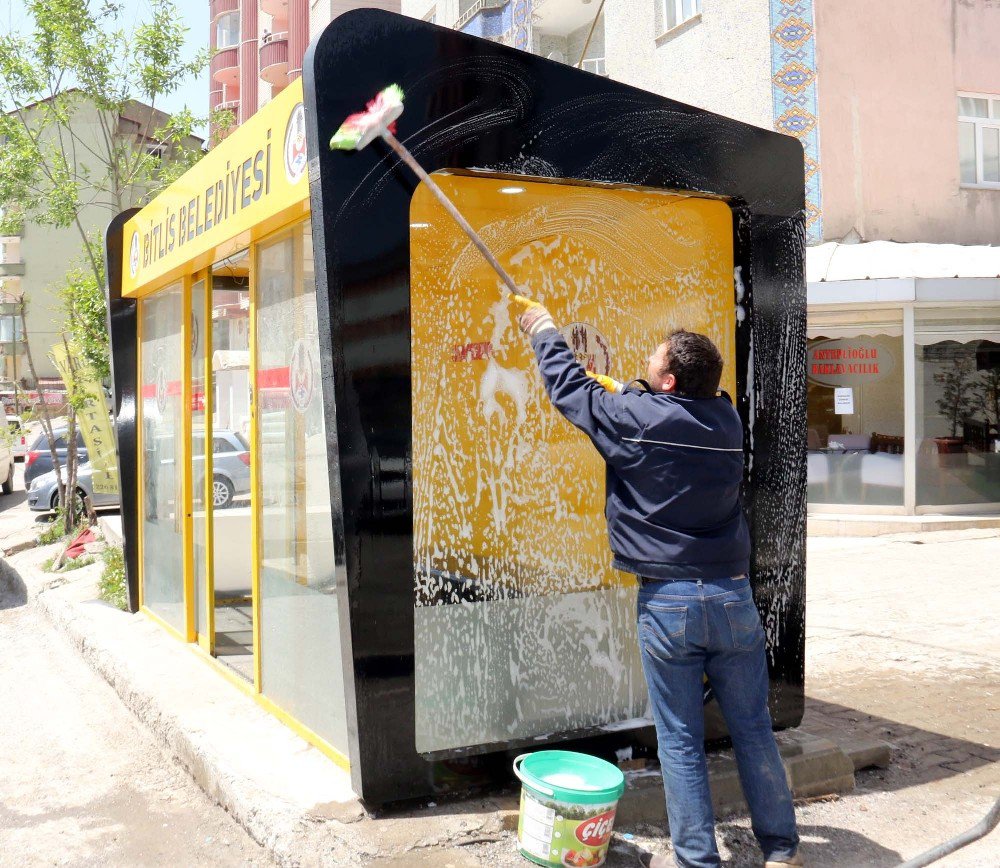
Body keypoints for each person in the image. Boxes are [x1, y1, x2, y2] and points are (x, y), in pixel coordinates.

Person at [515, 297, 802, 868]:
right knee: (752, 730)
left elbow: (571, 392)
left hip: (669, 604)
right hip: (731, 598)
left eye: (654, 360)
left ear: (669, 381)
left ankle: (698, 860)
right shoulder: (724, 420)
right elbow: (642, 405)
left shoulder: (637, 422)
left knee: (678, 741)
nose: (646, 360)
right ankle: (781, 848)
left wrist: (542, 330)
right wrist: (624, 391)